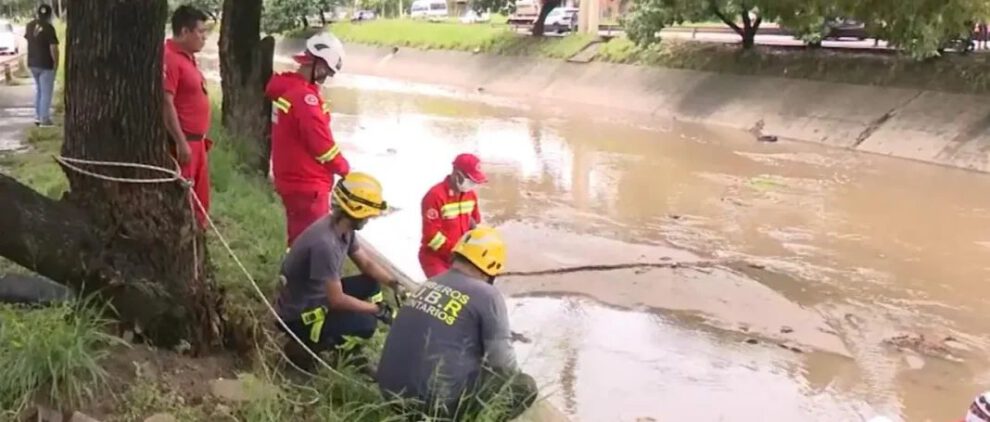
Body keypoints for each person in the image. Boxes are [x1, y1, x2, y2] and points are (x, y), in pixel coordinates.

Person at [378, 226, 538, 421]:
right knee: (524, 386)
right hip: (434, 406)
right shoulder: (488, 295)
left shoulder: (429, 283)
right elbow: (504, 364)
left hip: (390, 395)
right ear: (491, 268)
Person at [274, 172, 401, 372]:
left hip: (316, 296)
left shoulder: (342, 229)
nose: (369, 219)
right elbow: (337, 300)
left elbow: (366, 264)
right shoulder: (325, 244)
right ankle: (313, 348)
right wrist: (376, 310)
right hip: (299, 316)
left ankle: (339, 334)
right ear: (357, 212)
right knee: (367, 323)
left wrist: (394, 284)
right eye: (368, 215)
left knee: (370, 282)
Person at [265, 33, 350, 247]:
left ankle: (292, 268)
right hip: (307, 184)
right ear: (318, 66)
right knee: (313, 244)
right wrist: (346, 170)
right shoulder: (304, 98)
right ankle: (299, 270)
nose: (325, 78)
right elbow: (323, 146)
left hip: (293, 179)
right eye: (326, 72)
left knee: (298, 241)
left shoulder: (288, 88)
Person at [162, 5, 211, 228]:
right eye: (200, 32)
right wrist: (180, 141)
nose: (204, 37)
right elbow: (166, 101)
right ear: (184, 31)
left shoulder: (188, 58)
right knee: (185, 203)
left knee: (201, 204)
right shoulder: (170, 58)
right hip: (184, 145)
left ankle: (198, 240)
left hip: (199, 144)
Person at [418, 153, 487, 278]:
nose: (472, 185)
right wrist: (455, 253)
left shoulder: (470, 195)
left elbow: (474, 222)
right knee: (447, 286)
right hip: (436, 258)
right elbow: (431, 236)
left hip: (459, 258)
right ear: (456, 173)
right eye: (470, 180)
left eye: (474, 182)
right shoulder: (435, 196)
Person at [24, 4, 58, 127]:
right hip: (46, 64)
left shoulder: (29, 26)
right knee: (46, 92)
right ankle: (44, 119)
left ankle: (38, 116)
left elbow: (28, 38)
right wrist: (56, 63)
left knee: (39, 90)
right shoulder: (49, 28)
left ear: (38, 14)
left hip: (32, 63)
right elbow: (53, 48)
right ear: (49, 15)